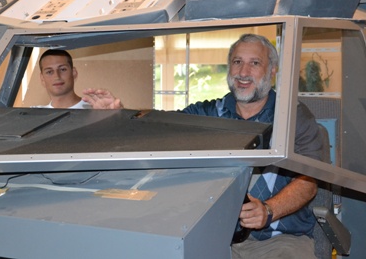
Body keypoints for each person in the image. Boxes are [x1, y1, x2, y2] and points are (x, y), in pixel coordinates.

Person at [83, 34, 323, 259]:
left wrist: (269, 210)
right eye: (237, 61)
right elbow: (157, 127)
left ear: (272, 71)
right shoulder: (209, 114)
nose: (243, 72)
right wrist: (118, 116)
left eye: (255, 63)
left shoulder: (293, 117)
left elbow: (309, 180)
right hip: (214, 237)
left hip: (278, 241)